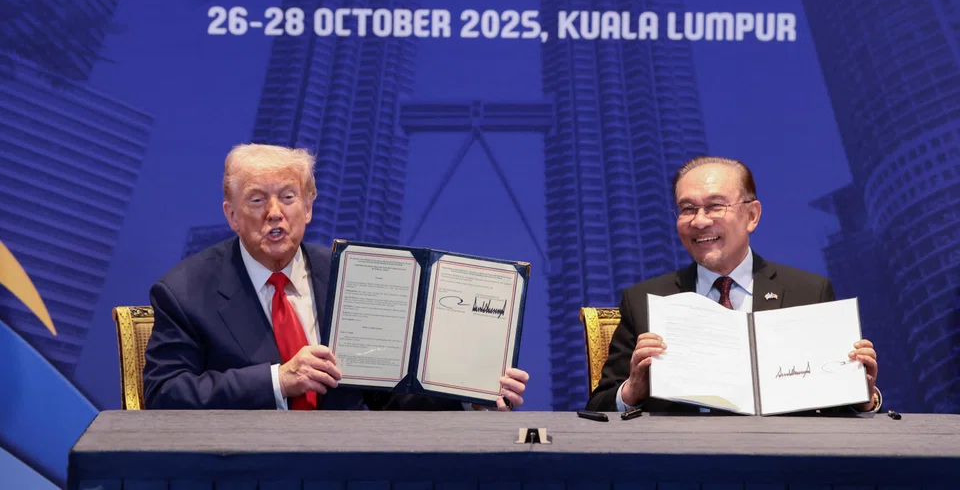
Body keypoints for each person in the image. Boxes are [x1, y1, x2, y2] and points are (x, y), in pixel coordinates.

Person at [143, 143, 529, 411]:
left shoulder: (352, 276)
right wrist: (278, 380)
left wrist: (470, 394)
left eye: (289, 197)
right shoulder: (185, 292)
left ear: (308, 208)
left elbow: (387, 396)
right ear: (231, 215)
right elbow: (164, 393)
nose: (275, 212)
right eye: (257, 199)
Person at [585, 156, 880, 414]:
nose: (699, 221)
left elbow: (836, 405)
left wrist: (862, 395)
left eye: (715, 207)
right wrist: (633, 390)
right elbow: (600, 407)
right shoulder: (645, 300)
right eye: (687, 209)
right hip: (681, 464)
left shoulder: (809, 292)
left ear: (751, 216)